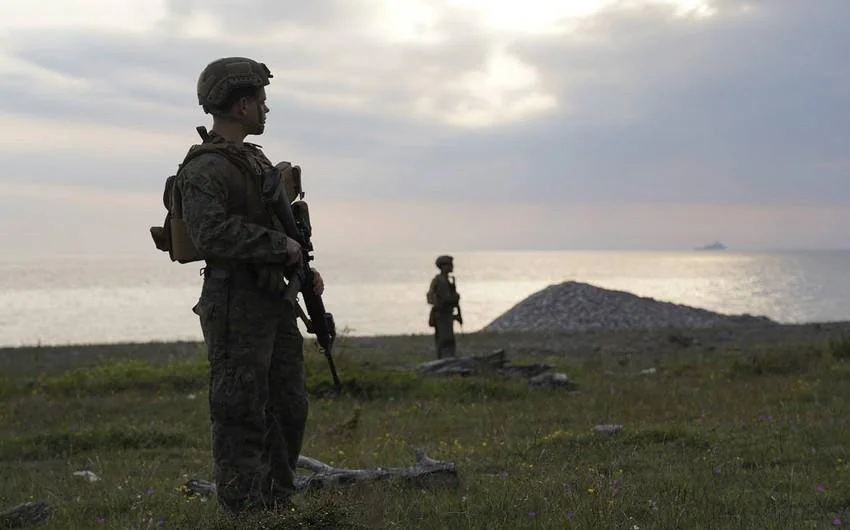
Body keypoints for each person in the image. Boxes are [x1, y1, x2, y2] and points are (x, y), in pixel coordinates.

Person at [174, 57, 323, 513]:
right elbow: (210, 234)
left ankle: (278, 505)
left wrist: (300, 267)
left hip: (271, 298)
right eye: (260, 100)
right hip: (234, 301)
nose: (265, 109)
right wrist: (279, 246)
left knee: (288, 405)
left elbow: (279, 226)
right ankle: (244, 513)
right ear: (241, 105)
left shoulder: (254, 161)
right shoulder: (205, 168)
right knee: (239, 411)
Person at [426, 255, 462, 359]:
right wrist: (454, 298)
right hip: (442, 314)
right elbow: (443, 298)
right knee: (444, 340)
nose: (452, 267)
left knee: (448, 339)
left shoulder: (448, 280)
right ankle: (444, 360)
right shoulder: (439, 281)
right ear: (443, 267)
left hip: (447, 314)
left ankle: (447, 359)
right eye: (449, 265)